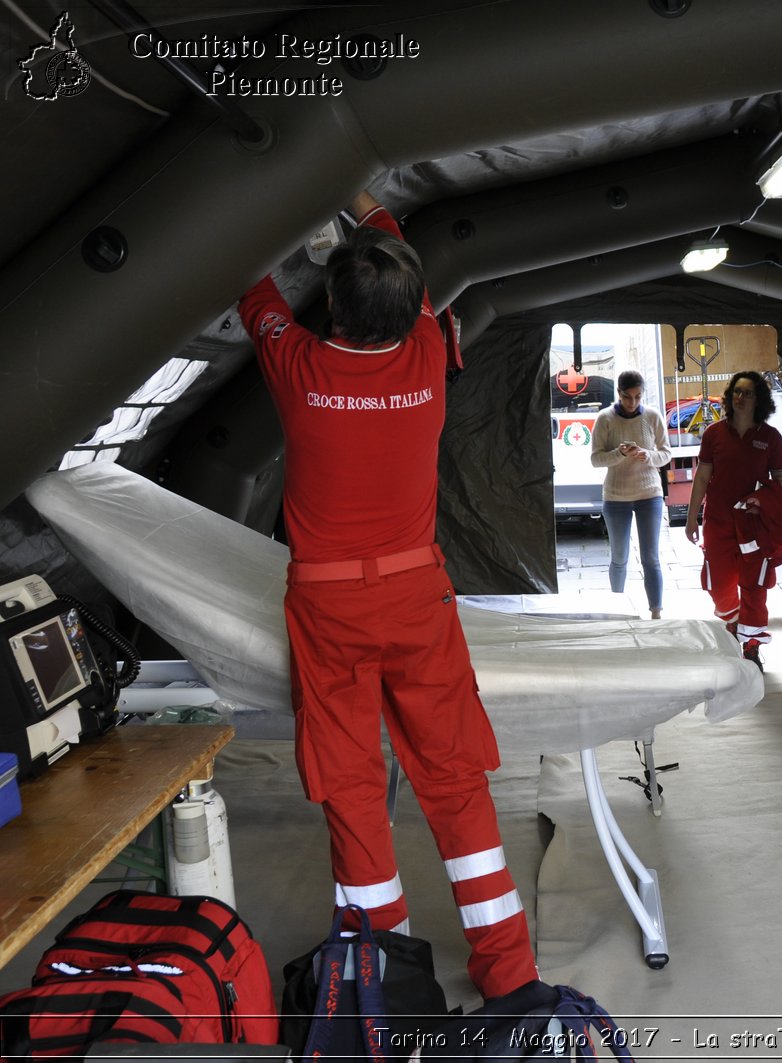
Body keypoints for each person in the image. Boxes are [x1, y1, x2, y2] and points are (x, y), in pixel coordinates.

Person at [239, 189, 538, 1004]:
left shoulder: (298, 368)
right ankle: (509, 971)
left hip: (330, 609)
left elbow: (249, 285)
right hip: (417, 597)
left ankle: (383, 973)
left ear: (332, 304)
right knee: (454, 778)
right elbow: (398, 254)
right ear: (416, 310)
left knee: (352, 784)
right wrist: (364, 199)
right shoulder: (430, 353)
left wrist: (292, 211)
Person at [685, 371, 782, 670]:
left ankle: (752, 645)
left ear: (760, 400)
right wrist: (692, 518)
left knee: (755, 586)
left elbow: (780, 482)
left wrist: (769, 508)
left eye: (748, 393)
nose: (740, 398)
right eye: (736, 392)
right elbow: (702, 477)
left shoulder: (770, 438)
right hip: (718, 521)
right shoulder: (714, 434)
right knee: (719, 585)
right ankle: (733, 621)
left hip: (754, 527)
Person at [590, 369, 671, 618]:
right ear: (618, 393)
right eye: (627, 397)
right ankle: (618, 611)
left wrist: (648, 455)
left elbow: (666, 454)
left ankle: (656, 613)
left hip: (649, 494)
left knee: (650, 558)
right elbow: (595, 460)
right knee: (619, 558)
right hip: (616, 496)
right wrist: (620, 453)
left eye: (637, 397)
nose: (632, 402)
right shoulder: (605, 419)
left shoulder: (653, 416)